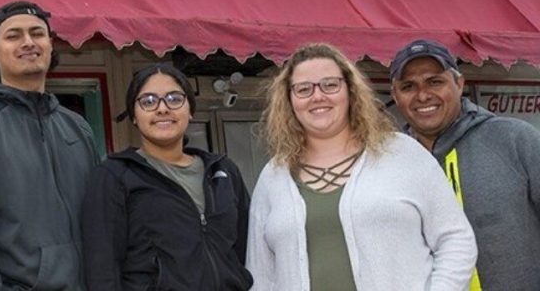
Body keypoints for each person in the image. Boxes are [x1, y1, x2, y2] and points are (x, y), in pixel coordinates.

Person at [247, 43, 476, 291]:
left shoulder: (403, 154)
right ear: (289, 100)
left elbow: (456, 240)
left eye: (330, 85)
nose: (318, 96)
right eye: (303, 89)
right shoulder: (273, 176)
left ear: (350, 91)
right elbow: (261, 275)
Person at [0, 0, 100, 291]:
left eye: (37, 33)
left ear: (50, 45)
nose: (28, 42)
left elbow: (100, 224)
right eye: (13, 36)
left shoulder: (78, 128)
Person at [81, 63, 253, 290]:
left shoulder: (223, 172)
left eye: (174, 99)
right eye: (148, 101)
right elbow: (102, 268)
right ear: (134, 115)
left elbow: (248, 250)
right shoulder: (114, 176)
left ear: (190, 110)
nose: (162, 109)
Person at [390, 39, 540, 291]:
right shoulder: (389, 161)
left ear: (459, 84)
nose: (423, 95)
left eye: (435, 81)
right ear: (395, 96)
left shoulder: (514, 139)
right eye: (408, 86)